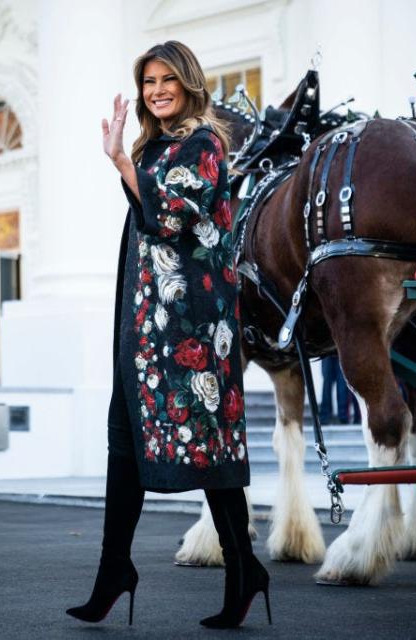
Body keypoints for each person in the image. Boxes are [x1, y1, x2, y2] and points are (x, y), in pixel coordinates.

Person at [66, 41, 270, 629]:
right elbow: (150, 219)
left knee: (209, 452)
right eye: (148, 81)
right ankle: (114, 569)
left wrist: (123, 165)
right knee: (124, 441)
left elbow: (172, 215)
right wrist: (128, 160)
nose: (156, 90)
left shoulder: (204, 145)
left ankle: (243, 568)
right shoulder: (156, 145)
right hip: (146, 326)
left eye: (166, 80)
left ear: (187, 84)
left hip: (192, 329)